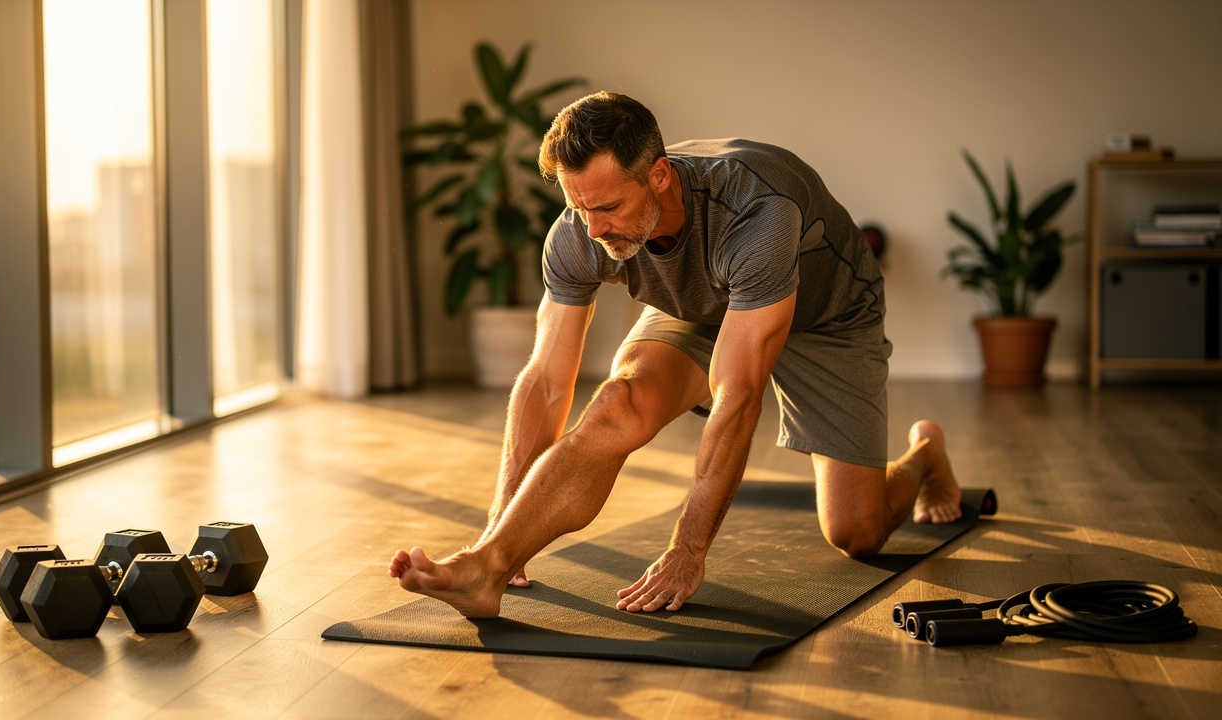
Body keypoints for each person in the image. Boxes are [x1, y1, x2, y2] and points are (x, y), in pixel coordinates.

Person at [389, 91, 962, 619]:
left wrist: (688, 549)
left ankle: (924, 453)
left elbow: (738, 396)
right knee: (618, 400)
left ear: (659, 176)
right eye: (579, 207)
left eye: (609, 207)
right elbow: (545, 382)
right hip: (699, 305)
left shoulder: (757, 214)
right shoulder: (580, 231)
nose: (593, 228)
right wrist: (501, 537)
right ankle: (482, 573)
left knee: (856, 533)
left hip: (829, 316)